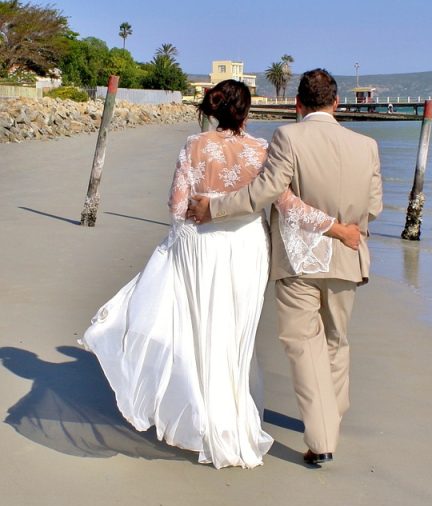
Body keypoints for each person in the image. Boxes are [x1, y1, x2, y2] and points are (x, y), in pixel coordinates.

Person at [79, 79, 358, 469]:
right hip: (246, 251)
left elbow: (177, 208)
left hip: (202, 248)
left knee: (203, 334)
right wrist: (339, 229)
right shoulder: (263, 150)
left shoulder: (193, 146)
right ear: (245, 113)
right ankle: (234, 425)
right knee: (235, 338)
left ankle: (204, 423)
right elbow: (290, 207)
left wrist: (196, 219)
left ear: (212, 110)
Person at [188, 69, 383, 466]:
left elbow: (266, 191)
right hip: (348, 252)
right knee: (336, 339)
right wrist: (343, 229)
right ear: (336, 102)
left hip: (300, 258)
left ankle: (323, 436)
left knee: (303, 343)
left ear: (298, 104)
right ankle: (332, 412)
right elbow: (374, 207)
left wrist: (216, 208)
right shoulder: (368, 145)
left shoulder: (288, 137)